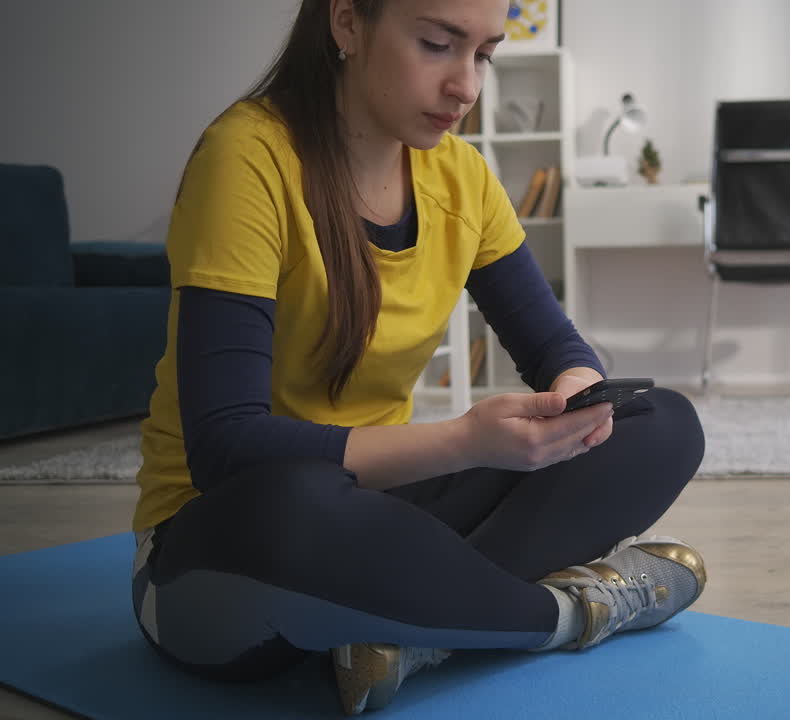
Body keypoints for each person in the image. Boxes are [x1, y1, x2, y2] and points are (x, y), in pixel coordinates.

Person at [129, 0, 707, 714]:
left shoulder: (461, 176)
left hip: (382, 522)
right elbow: (226, 446)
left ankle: (414, 630)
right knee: (299, 505)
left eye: (485, 55)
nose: (466, 85)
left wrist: (577, 403)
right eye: (438, 44)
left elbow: (555, 346)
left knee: (663, 423)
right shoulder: (246, 159)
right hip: (223, 548)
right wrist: (463, 440)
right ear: (346, 23)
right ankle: (565, 616)